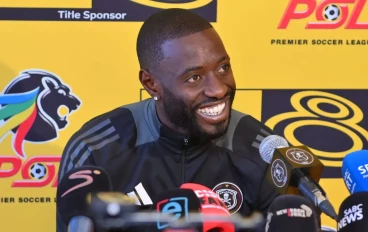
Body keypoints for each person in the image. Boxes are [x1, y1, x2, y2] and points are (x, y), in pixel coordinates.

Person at [56, 8, 279, 232]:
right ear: (151, 84)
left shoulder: (261, 151)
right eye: (194, 78)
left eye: (223, 68)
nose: (218, 90)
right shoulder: (96, 149)